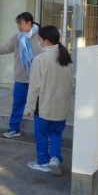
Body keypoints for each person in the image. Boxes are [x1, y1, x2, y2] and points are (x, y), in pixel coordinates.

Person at [0, 12, 41, 139]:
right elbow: (4, 47)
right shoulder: (18, 38)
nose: (18, 26)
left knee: (40, 107)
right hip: (21, 78)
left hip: (38, 78)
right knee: (17, 105)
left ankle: (42, 133)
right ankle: (14, 129)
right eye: (17, 24)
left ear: (29, 23)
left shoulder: (41, 36)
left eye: (20, 23)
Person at [23, 25, 73, 176]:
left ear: (46, 41)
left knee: (41, 134)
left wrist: (29, 107)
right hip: (61, 106)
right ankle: (55, 159)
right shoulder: (66, 57)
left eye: (40, 40)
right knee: (56, 134)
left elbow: (34, 87)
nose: (39, 43)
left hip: (44, 105)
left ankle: (43, 162)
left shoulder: (40, 60)